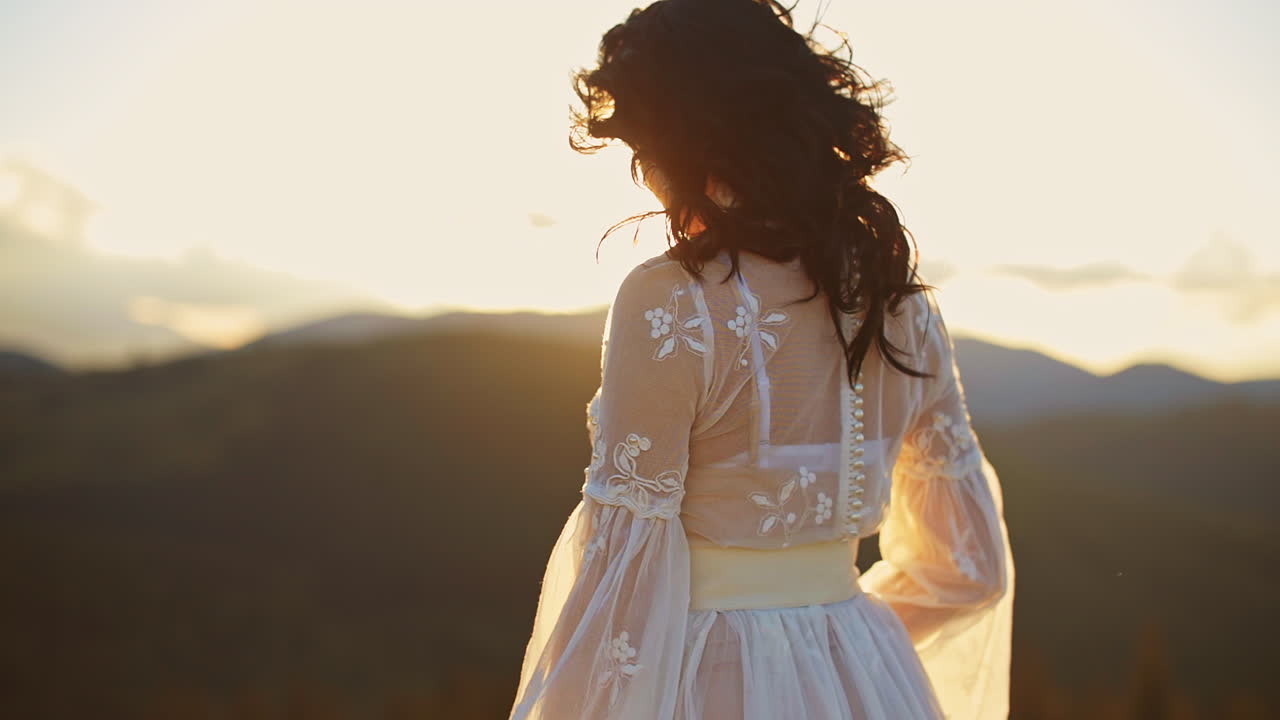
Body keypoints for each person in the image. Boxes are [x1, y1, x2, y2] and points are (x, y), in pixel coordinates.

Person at [509, 1, 1014, 718]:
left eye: (646, 148)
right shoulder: (903, 306)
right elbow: (972, 569)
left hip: (700, 680)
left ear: (692, 145)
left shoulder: (673, 302)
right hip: (869, 677)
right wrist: (829, 637)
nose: (646, 174)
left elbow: (621, 591)